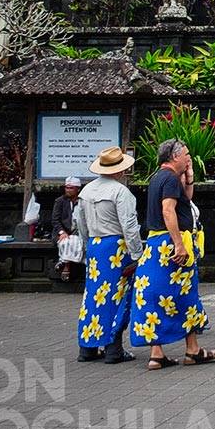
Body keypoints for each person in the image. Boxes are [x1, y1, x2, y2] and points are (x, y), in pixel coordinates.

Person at [131, 139, 215, 368]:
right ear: (174, 156)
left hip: (156, 244)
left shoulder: (160, 177)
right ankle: (192, 349)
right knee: (185, 295)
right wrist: (179, 244)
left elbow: (185, 201)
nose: (189, 157)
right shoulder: (168, 178)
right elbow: (168, 211)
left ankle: (157, 353)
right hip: (170, 243)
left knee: (156, 295)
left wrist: (189, 178)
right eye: (186, 154)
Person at [76, 147, 143, 364]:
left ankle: (87, 347)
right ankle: (113, 347)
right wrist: (137, 254)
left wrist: (89, 245)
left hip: (96, 246)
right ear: (121, 169)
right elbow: (129, 226)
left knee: (93, 297)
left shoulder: (85, 191)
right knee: (118, 296)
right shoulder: (121, 192)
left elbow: (80, 224)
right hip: (116, 246)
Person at [53, 176, 83, 282]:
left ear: (77, 189)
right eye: (67, 188)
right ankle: (66, 266)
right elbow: (55, 220)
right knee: (66, 242)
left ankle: (63, 261)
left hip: (79, 231)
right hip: (62, 232)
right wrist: (62, 232)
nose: (68, 190)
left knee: (78, 242)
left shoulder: (83, 202)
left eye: (71, 188)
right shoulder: (60, 201)